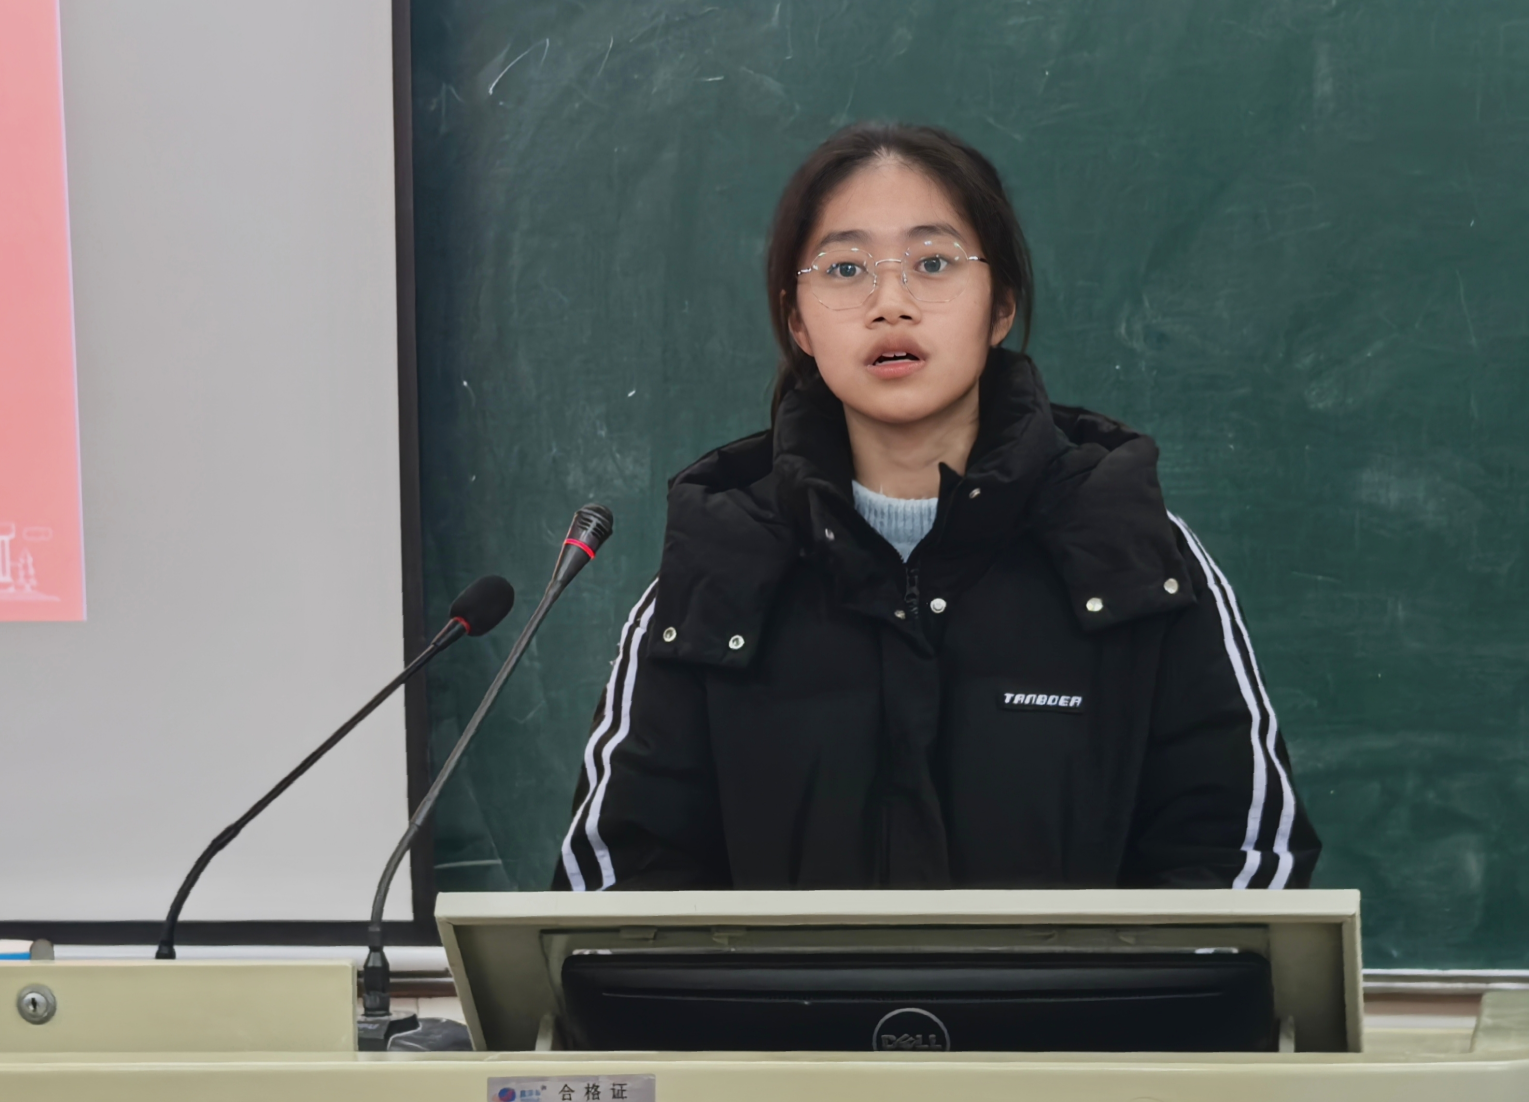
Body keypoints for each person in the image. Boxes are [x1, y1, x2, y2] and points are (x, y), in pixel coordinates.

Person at [555, 123, 1318, 891]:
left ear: (1001, 306)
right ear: (798, 323)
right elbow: (619, 888)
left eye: (932, 262)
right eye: (846, 268)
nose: (891, 303)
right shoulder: (718, 566)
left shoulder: (1135, 553)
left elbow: (1241, 863)